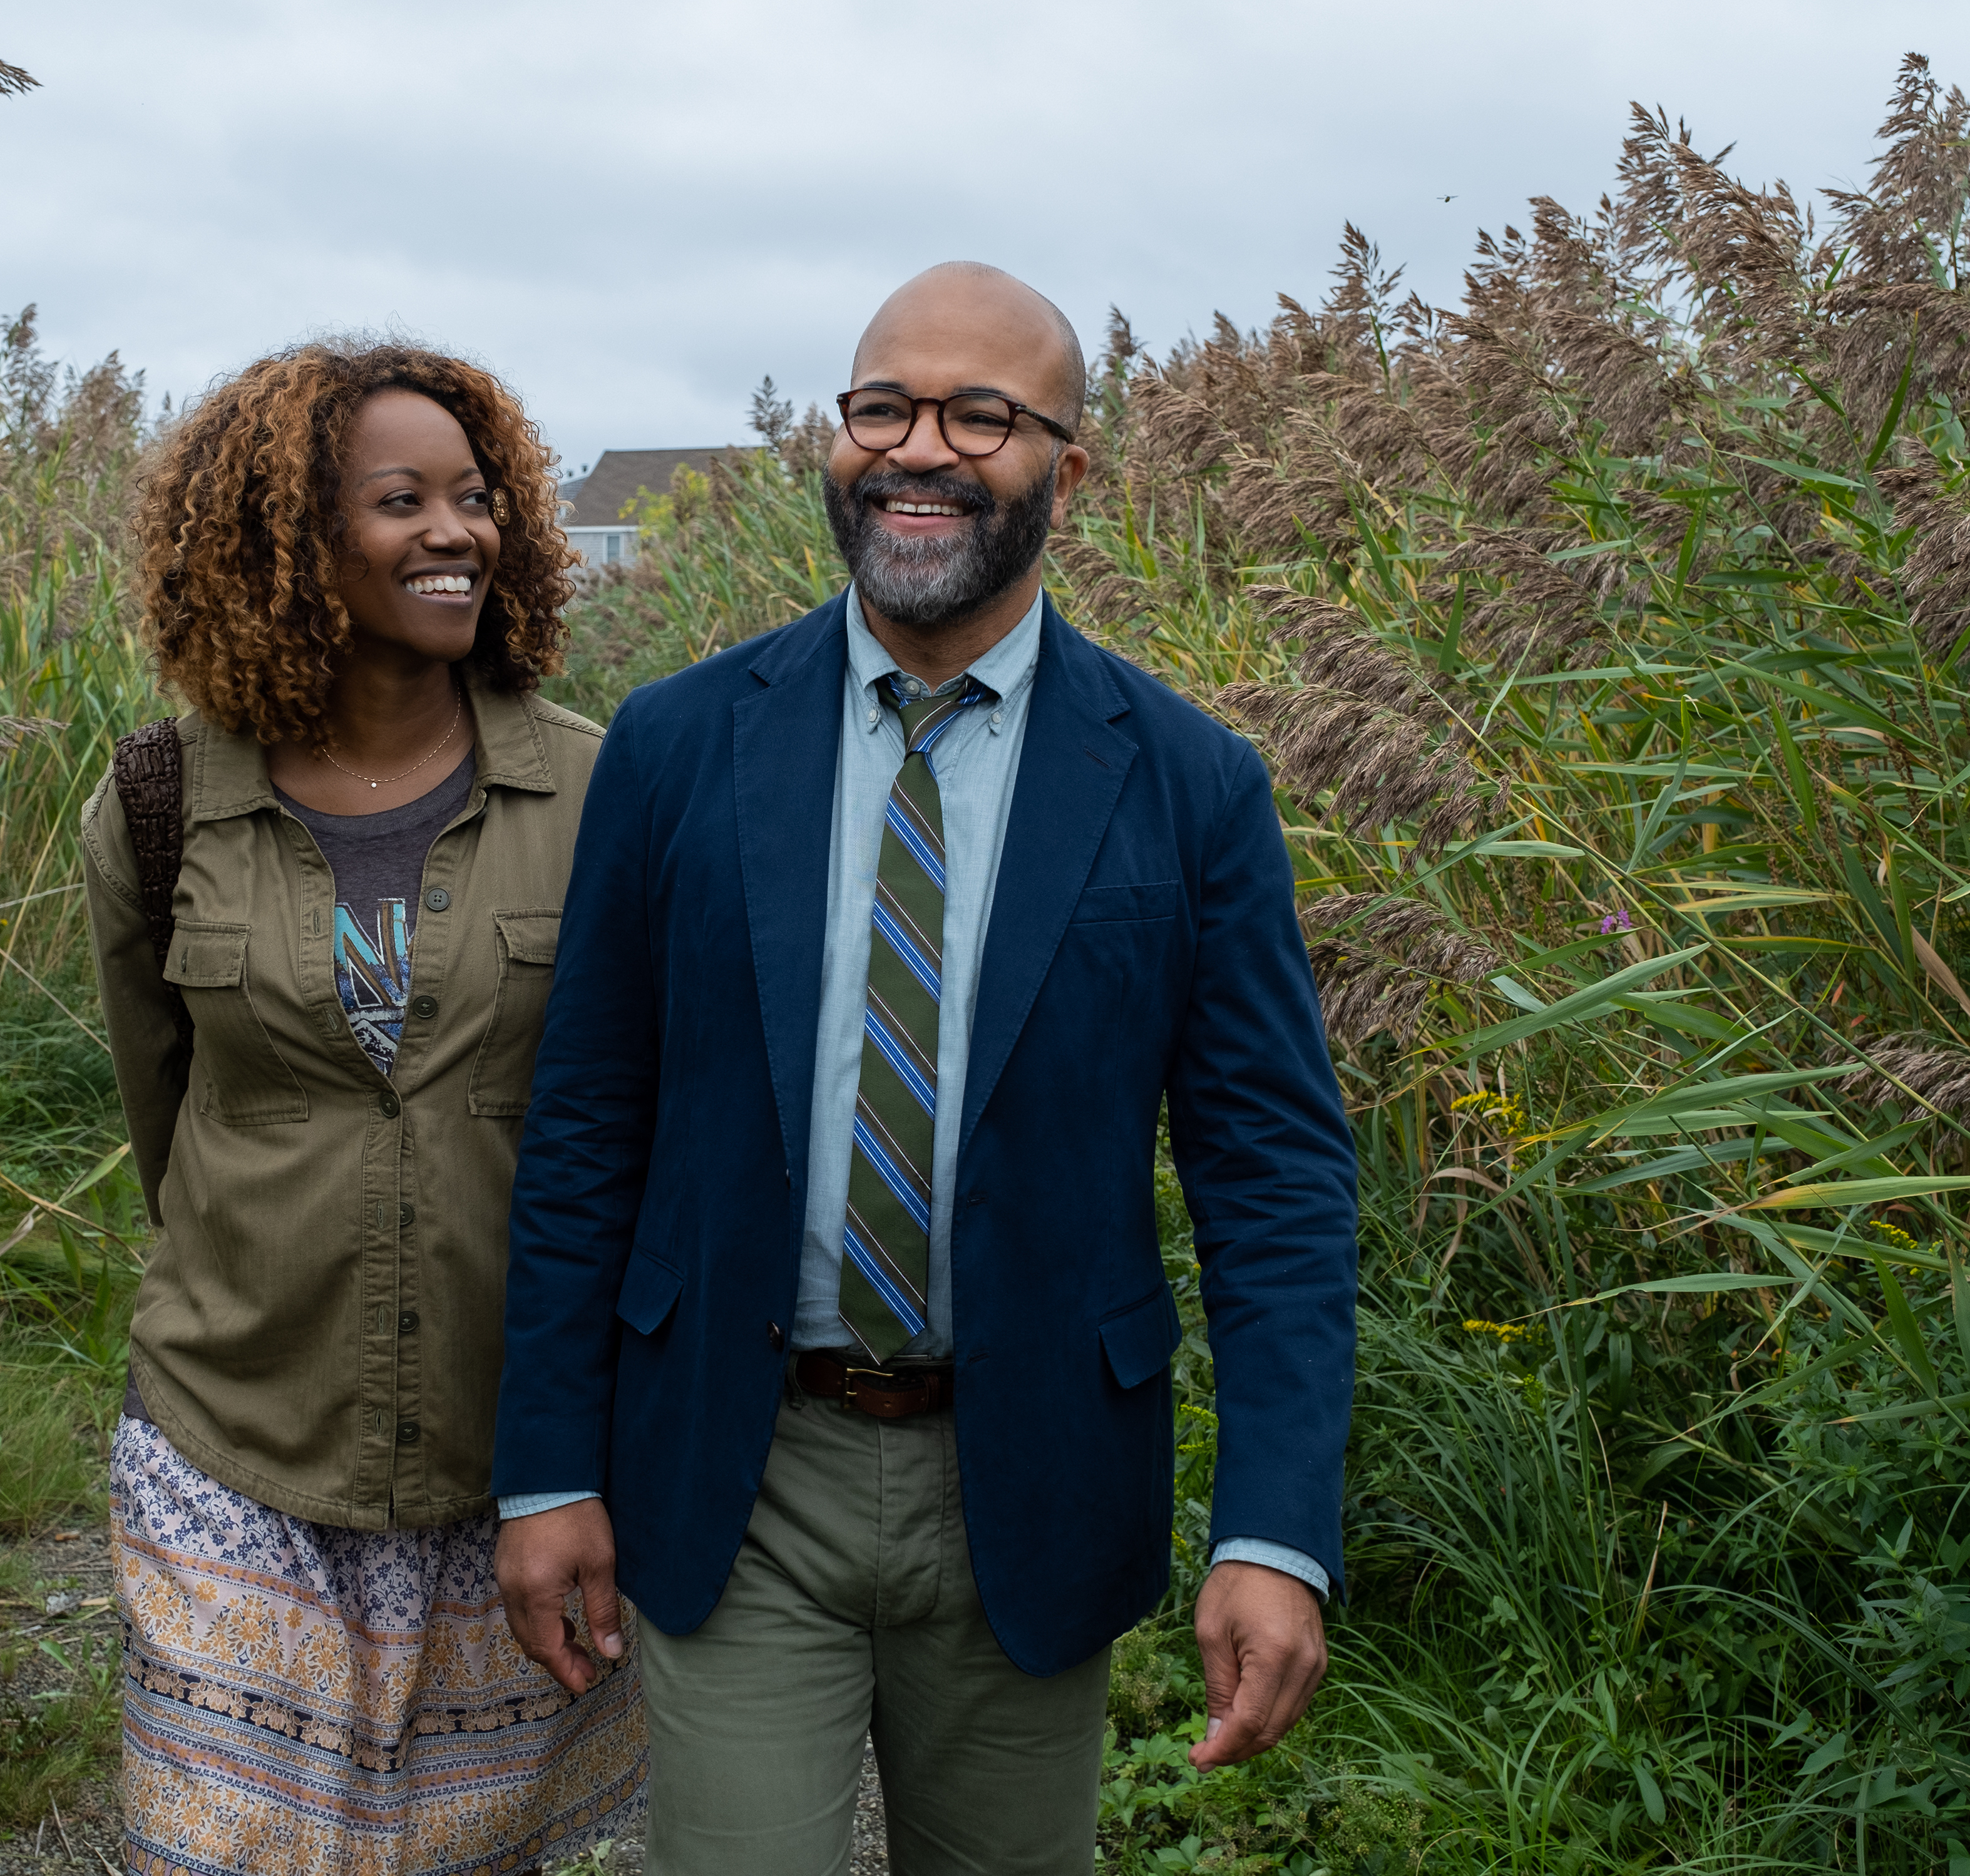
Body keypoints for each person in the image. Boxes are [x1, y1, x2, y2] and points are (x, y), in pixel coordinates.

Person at [489, 264, 1358, 1873]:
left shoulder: (1186, 783)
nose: (920, 449)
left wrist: (1275, 1526)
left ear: (1068, 471)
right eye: (882, 405)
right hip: (740, 1467)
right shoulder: (679, 744)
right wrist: (544, 1463)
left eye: (983, 414)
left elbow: (1275, 1176)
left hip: (1027, 1471)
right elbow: (589, 1121)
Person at [82, 339, 646, 1876]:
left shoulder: (605, 794)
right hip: (232, 1434)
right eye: (402, 500)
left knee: (468, 1856)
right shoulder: (158, 801)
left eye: (476, 498)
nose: (453, 531)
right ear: (286, 538)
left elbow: (634, 1128)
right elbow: (169, 1110)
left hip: (505, 1453)